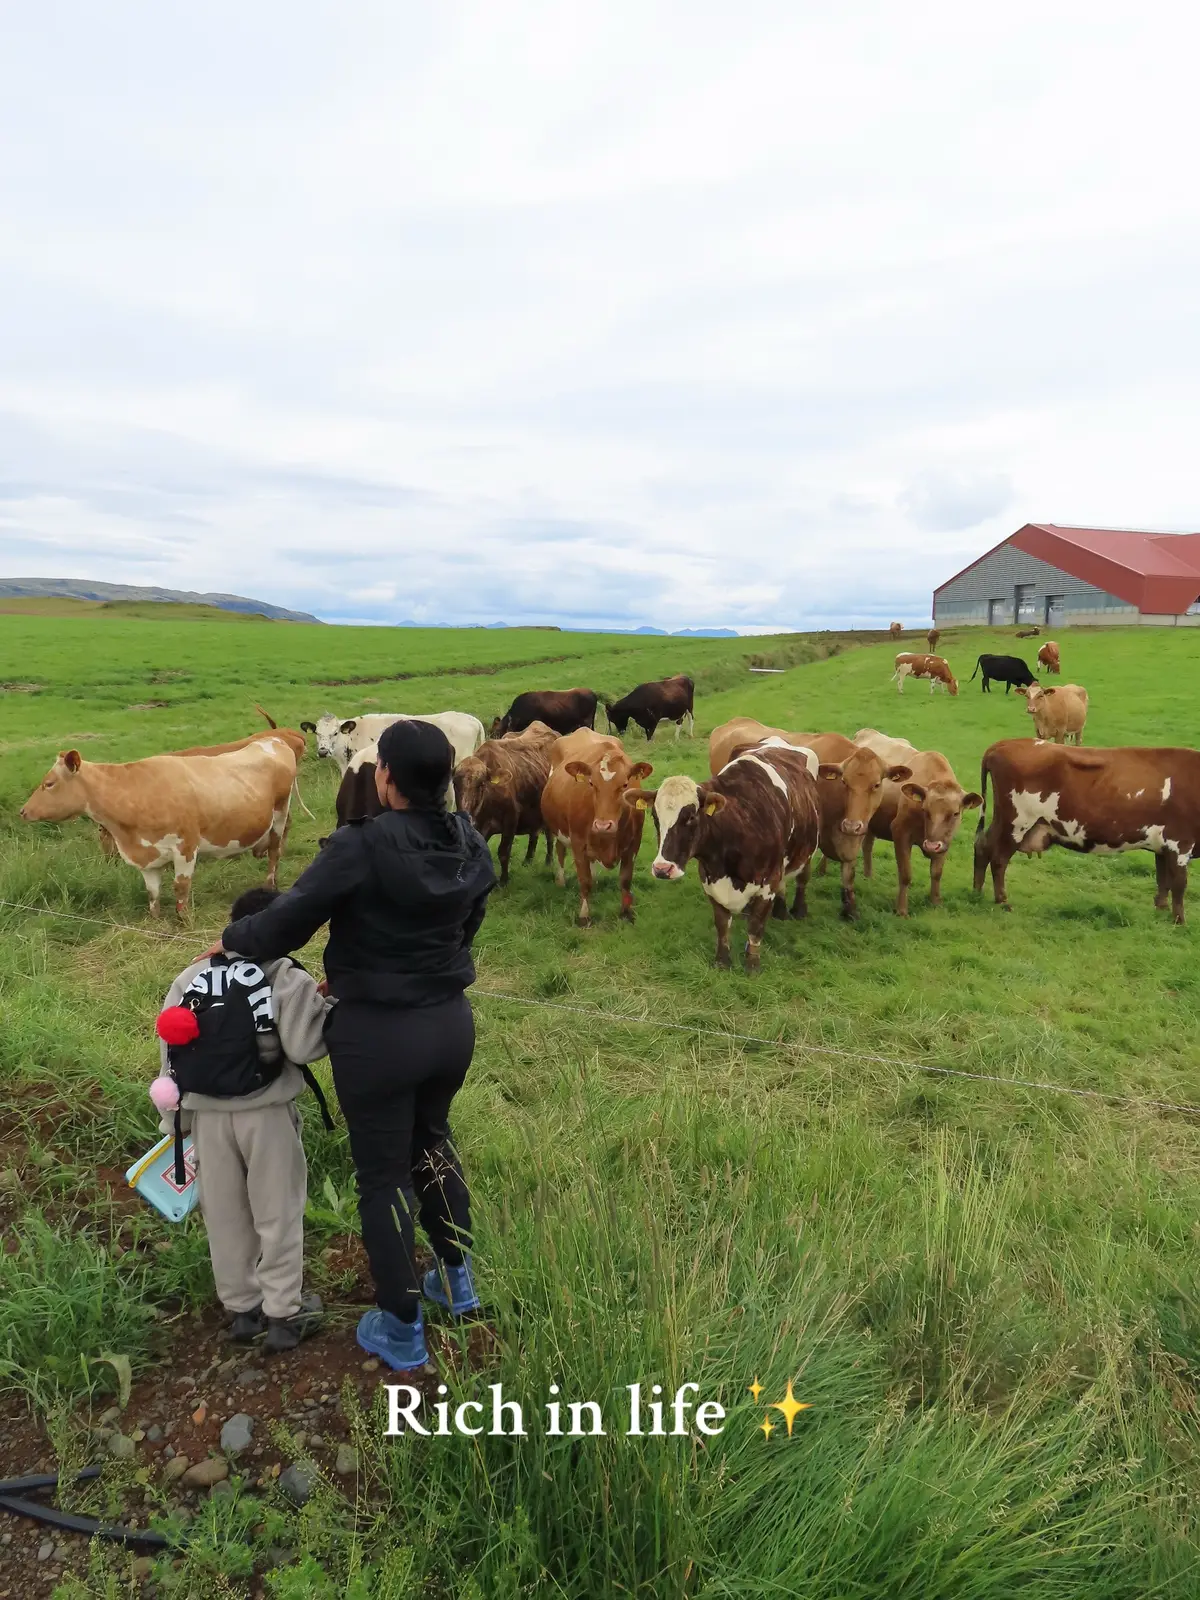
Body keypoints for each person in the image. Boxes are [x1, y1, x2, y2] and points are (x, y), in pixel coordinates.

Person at [214, 719, 497, 1372]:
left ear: (386, 777)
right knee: (433, 1142)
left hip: (377, 1034)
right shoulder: (471, 845)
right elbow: (467, 926)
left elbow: (287, 922)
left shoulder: (359, 845)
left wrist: (232, 942)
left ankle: (401, 1329)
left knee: (382, 1178)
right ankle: (457, 1285)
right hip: (450, 1025)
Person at [153, 886, 330, 1352]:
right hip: (266, 1113)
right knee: (278, 1213)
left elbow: (170, 1050)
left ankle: (242, 1311)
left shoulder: (191, 973)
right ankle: (284, 1314)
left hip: (206, 1117)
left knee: (225, 1215)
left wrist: (174, 1123)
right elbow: (304, 1046)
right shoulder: (283, 975)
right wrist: (324, 1006)